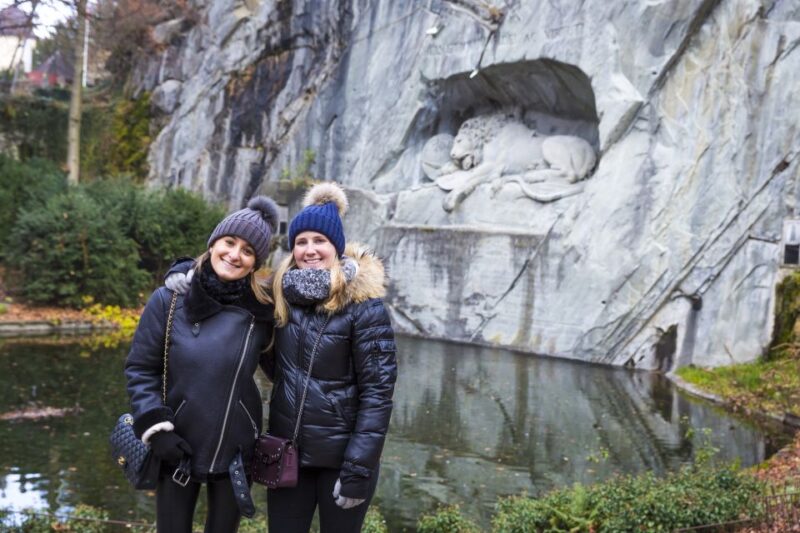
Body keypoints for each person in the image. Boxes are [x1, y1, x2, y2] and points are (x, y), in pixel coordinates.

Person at [125, 196, 279, 533]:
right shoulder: (168, 300)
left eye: (248, 251)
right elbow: (140, 369)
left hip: (237, 450)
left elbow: (285, 369)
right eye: (229, 242)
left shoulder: (262, 311)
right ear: (213, 243)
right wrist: (156, 428)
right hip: (176, 446)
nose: (235, 254)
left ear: (255, 263)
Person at [266, 181, 397, 532]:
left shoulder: (364, 307)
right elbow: (227, 283)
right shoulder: (281, 296)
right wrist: (184, 271)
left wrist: (359, 467)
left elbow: (378, 395)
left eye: (319, 241)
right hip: (287, 454)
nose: (310, 250)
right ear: (292, 248)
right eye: (301, 241)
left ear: (335, 247)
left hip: (341, 461)